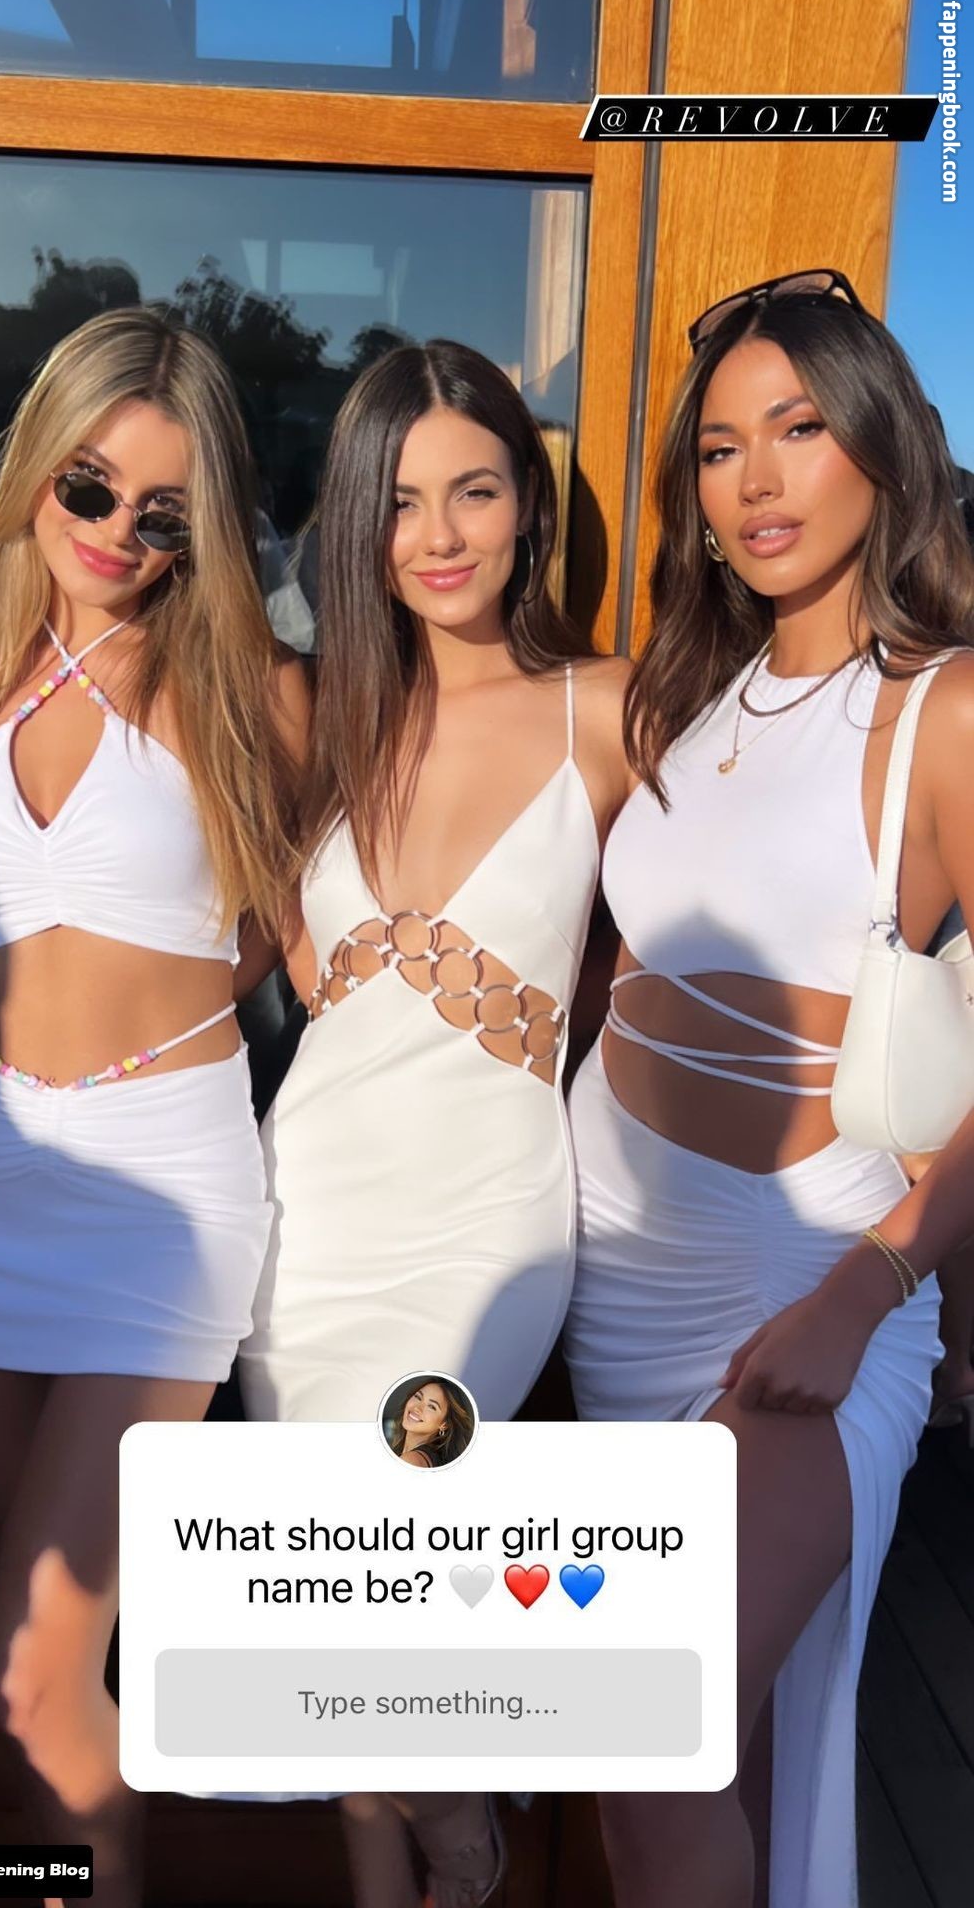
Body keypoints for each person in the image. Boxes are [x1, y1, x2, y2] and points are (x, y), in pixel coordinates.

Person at [564, 270, 974, 1908]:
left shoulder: (947, 709)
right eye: (722, 448)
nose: (756, 480)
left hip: (801, 1287)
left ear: (880, 444)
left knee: (645, 1743)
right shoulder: (688, 696)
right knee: (690, 1771)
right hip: (620, 1278)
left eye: (797, 430)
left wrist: (867, 1293)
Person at [0, 307, 305, 1908]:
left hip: (167, 1199)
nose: (118, 534)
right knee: (57, 1671)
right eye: (88, 486)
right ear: (33, 470)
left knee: (26, 1664)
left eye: (166, 514)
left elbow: (300, 938)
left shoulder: (258, 695)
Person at [238, 338, 628, 1907]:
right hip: (311, 1214)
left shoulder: (611, 711)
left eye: (475, 490)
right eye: (400, 501)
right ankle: (401, 1851)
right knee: (326, 1579)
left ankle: (458, 1817)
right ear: (358, 524)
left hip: (489, 1216)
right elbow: (256, 942)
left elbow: (695, 949)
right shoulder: (311, 712)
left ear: (529, 505)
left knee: (390, 1542)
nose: (441, 535)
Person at [387, 1377, 474, 1467]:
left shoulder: (411, 1461)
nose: (417, 1408)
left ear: (444, 1424)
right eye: (418, 1397)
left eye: (432, 1406)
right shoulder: (424, 1458)